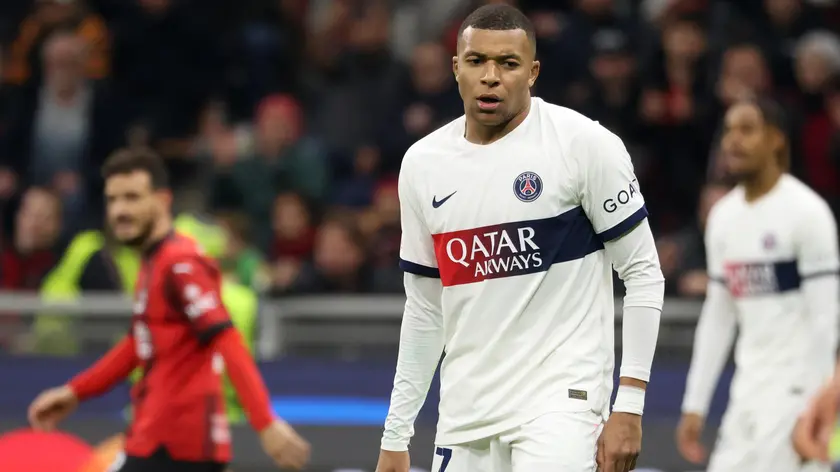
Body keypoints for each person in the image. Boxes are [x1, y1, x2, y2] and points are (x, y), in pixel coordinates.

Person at [375, 5, 664, 472]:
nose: (491, 77)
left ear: (532, 72)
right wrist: (396, 433)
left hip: (560, 405)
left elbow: (643, 273)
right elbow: (426, 309)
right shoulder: (423, 165)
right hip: (465, 414)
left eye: (508, 63)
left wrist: (629, 403)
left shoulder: (583, 145)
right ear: (456, 68)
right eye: (477, 61)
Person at [26, 149, 310, 472]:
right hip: (159, 439)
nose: (119, 210)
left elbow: (225, 337)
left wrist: (265, 423)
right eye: (113, 199)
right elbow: (138, 343)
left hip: (176, 445)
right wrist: (75, 392)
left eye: (132, 197)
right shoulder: (153, 263)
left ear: (163, 200)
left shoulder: (180, 263)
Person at [676, 97, 839, 472]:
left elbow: (826, 320)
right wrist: (695, 404)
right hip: (746, 395)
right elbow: (718, 317)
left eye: (747, 129)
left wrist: (815, 409)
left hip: (796, 396)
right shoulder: (723, 217)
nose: (733, 140)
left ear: (776, 139)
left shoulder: (807, 213)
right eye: (729, 130)